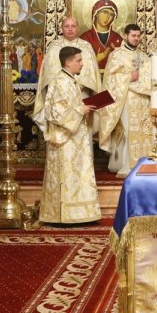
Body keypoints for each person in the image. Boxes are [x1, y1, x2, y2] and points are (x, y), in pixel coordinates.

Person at [41, 46, 101, 224]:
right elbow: (53, 111)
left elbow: (68, 105)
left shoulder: (70, 80)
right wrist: (80, 109)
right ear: (68, 62)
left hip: (76, 137)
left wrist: (83, 107)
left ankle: (80, 213)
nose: (82, 64)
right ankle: (67, 215)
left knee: (78, 175)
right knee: (68, 177)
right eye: (79, 60)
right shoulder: (60, 81)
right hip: (66, 139)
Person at [98, 24, 152, 175]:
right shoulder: (116, 55)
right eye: (133, 36)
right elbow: (110, 79)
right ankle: (127, 164)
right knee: (128, 132)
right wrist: (129, 77)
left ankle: (144, 163)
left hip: (143, 101)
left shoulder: (144, 56)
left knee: (144, 132)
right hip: (125, 100)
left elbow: (149, 77)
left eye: (138, 36)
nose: (136, 39)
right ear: (124, 36)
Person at [34, 16, 101, 128]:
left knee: (82, 132)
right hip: (60, 97)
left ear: (78, 28)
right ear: (62, 29)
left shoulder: (86, 46)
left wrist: (80, 84)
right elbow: (47, 74)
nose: (70, 29)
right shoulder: (54, 47)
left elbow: (93, 75)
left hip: (82, 95)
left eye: (73, 26)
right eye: (67, 26)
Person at [80, 0, 123, 72]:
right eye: (105, 12)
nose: (108, 17)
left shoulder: (117, 38)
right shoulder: (85, 38)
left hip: (112, 78)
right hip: (92, 78)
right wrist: (96, 59)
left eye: (111, 14)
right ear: (96, 13)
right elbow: (79, 64)